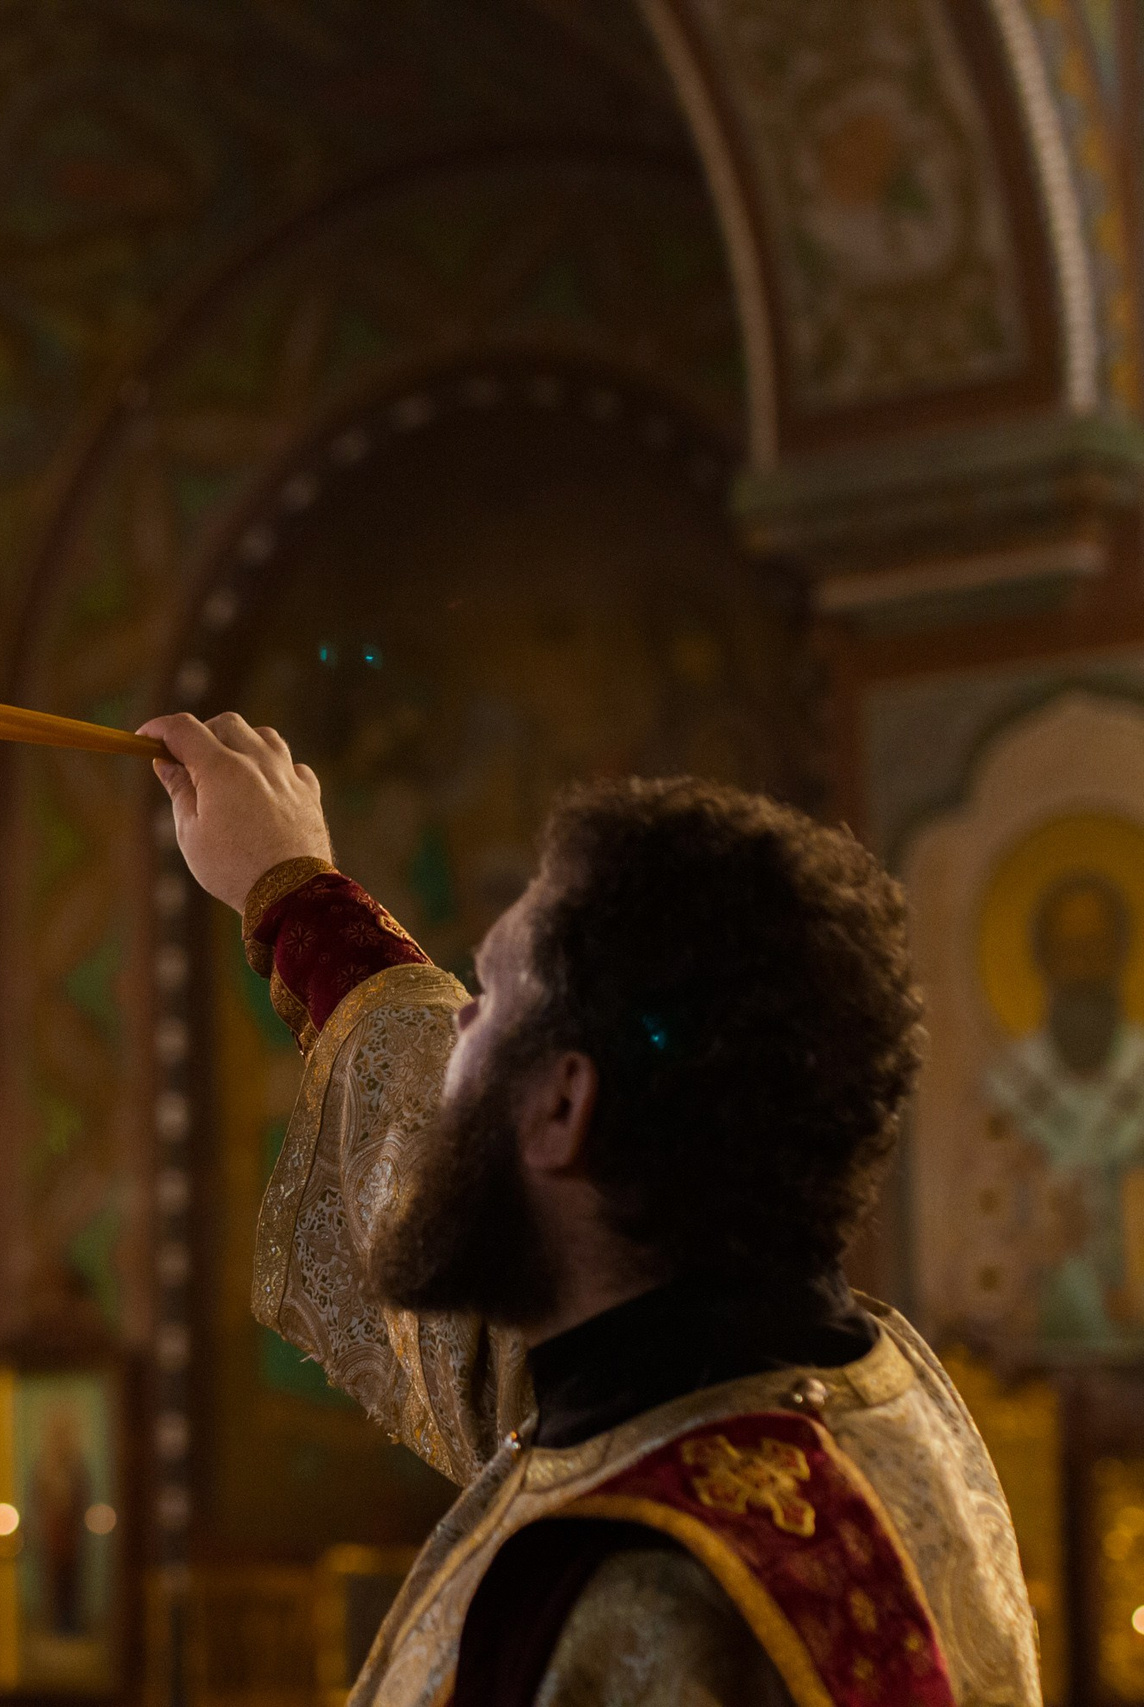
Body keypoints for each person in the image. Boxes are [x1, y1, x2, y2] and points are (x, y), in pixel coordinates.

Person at [141, 710, 1038, 1707]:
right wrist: (294, 891)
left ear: (563, 1107)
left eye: (486, 994)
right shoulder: (821, 1385)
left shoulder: (651, 1589)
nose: (454, 1030)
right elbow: (444, 1229)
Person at [985, 872, 1144, 1341]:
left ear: (1121, 953)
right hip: (1034, 1348)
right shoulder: (1006, 1087)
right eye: (1067, 949)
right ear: (1043, 959)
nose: (1082, 969)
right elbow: (979, 1243)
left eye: (1095, 948)